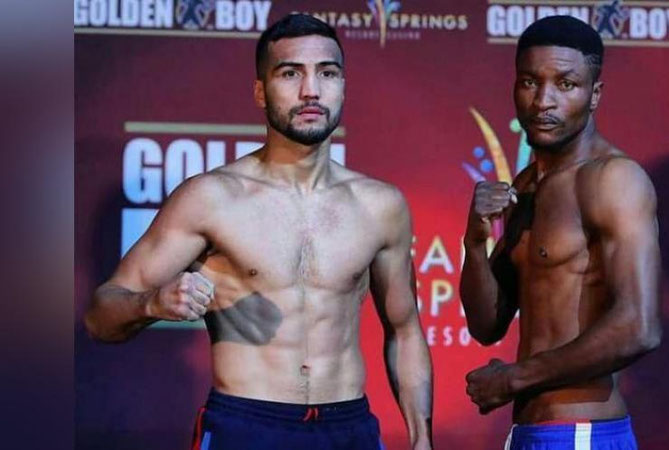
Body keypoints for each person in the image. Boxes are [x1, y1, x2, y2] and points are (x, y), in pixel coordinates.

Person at [84, 13, 432, 450]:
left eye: (327, 73)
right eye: (290, 73)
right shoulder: (212, 198)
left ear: (343, 86)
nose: (311, 90)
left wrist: (422, 439)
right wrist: (151, 302)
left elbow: (405, 330)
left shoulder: (380, 206)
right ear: (260, 92)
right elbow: (100, 316)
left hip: (348, 428)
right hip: (247, 426)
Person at [459, 15, 661, 450]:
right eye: (530, 83)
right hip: (529, 432)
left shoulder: (613, 179)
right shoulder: (526, 186)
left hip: (582, 431)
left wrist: (514, 378)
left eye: (565, 84)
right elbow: (486, 325)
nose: (542, 101)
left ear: (594, 94)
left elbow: (639, 327)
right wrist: (474, 244)